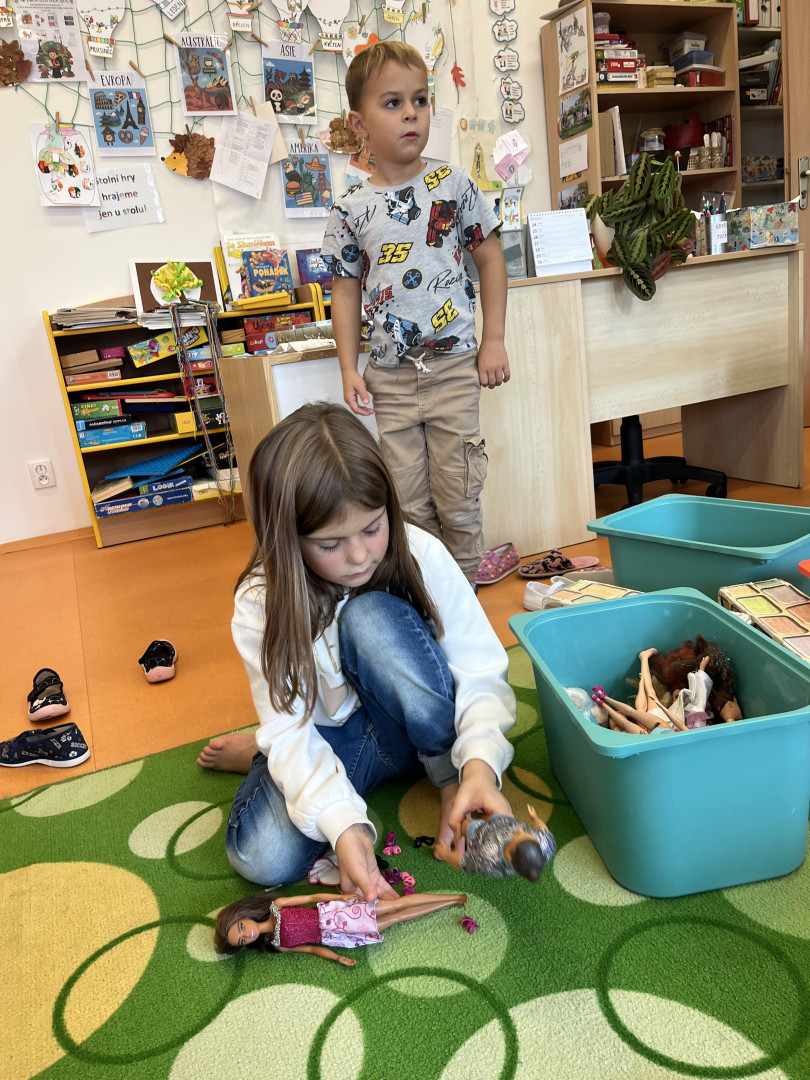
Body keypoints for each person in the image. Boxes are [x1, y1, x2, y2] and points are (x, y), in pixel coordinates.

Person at [197, 403, 516, 903]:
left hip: (415, 735)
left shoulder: (422, 552)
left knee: (370, 618)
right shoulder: (260, 602)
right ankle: (263, 753)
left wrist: (477, 763)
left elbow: (480, 668)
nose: (360, 555)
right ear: (288, 539)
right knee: (260, 857)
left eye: (372, 528)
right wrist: (346, 827)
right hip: (336, 743)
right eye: (330, 544)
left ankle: (447, 776)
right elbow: (292, 729)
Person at [320, 41, 510, 582]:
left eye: (420, 100)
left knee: (459, 491)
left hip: (454, 368)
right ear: (359, 124)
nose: (411, 113)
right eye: (393, 103)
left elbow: (491, 259)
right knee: (406, 502)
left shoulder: (453, 185)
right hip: (391, 378)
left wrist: (493, 340)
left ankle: (466, 590)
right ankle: (426, 594)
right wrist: (348, 367)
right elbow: (345, 291)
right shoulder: (350, 209)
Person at [214, 889, 468, 964]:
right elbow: (312, 949)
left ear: (243, 916)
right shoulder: (279, 945)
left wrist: (340, 898)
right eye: (242, 940)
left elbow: (312, 897)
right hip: (339, 935)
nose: (247, 934)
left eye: (241, 928)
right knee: (397, 917)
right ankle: (448, 903)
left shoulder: (277, 906)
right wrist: (337, 958)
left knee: (395, 905)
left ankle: (451, 898)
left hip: (339, 913)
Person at [434, 804, 557, 881]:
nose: (520, 831)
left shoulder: (487, 859)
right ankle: (480, 815)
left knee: (465, 825)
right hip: (505, 823)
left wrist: (445, 854)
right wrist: (535, 817)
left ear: (509, 856)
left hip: (480, 834)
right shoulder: (545, 844)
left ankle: (460, 816)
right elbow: (543, 829)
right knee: (492, 815)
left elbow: (461, 862)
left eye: (518, 836)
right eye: (527, 833)